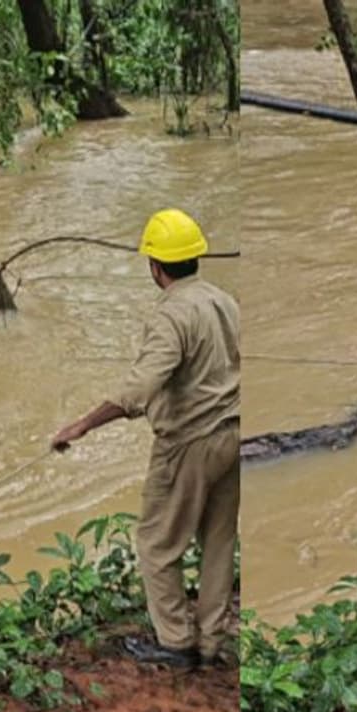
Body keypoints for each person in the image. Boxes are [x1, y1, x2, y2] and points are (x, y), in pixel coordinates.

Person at [52, 208, 239, 669]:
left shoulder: (171, 315)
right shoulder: (225, 301)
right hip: (235, 434)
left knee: (157, 545)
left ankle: (176, 643)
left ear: (155, 267)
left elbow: (137, 390)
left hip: (189, 444)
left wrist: (81, 426)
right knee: (218, 543)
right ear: (196, 256)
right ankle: (212, 641)